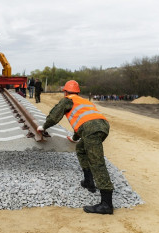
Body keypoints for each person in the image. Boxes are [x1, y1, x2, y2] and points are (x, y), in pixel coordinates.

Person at [37, 80, 114, 214]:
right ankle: (88, 181)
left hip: (91, 130)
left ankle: (106, 204)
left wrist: (43, 126)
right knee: (81, 149)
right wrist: (74, 138)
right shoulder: (84, 101)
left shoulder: (68, 99)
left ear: (65, 92)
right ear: (77, 92)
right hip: (102, 126)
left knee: (97, 162)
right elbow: (84, 120)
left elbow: (55, 115)